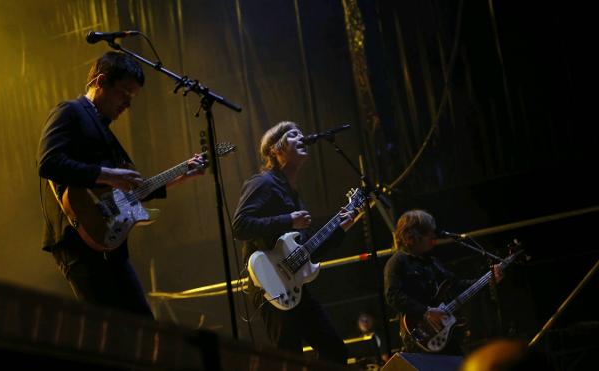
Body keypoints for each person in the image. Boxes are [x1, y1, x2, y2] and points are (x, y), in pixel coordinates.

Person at [38, 51, 204, 319]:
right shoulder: (70, 112)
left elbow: (128, 194)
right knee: (107, 330)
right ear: (101, 81)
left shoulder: (105, 132)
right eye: (124, 94)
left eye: (132, 98)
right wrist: (107, 174)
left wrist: (182, 175)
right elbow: (48, 163)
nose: (127, 104)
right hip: (77, 238)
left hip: (110, 242)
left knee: (142, 325)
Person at [232, 121, 355, 364]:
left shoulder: (295, 197)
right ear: (275, 149)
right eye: (293, 135)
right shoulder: (263, 183)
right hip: (270, 284)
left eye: (301, 133)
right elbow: (240, 225)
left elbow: (308, 253)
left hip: (294, 286)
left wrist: (340, 230)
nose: (302, 137)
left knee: (336, 353)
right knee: (290, 360)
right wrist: (287, 219)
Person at [383, 209, 503, 354]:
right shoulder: (397, 261)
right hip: (419, 334)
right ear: (413, 236)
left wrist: (488, 279)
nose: (433, 236)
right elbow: (393, 296)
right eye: (429, 233)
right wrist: (426, 312)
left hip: (444, 333)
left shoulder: (432, 262)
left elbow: (456, 285)